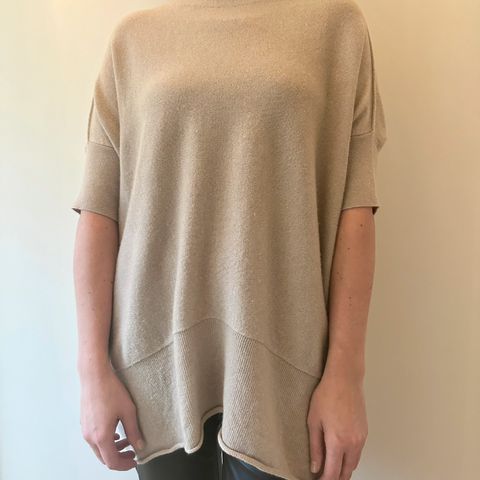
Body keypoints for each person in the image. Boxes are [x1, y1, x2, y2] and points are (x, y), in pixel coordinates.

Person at [71, 0, 388, 479]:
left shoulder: (337, 27)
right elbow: (98, 212)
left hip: (287, 369)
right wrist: (92, 371)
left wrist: (346, 375)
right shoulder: (132, 40)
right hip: (155, 366)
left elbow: (355, 208)